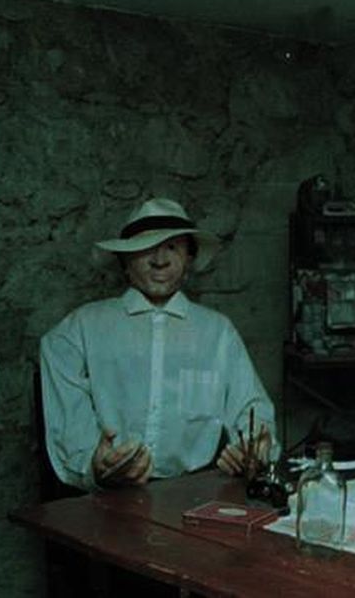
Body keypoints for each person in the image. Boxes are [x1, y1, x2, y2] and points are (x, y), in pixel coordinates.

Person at [40, 197, 276, 491]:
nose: (160, 260)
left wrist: (254, 447)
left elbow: (251, 406)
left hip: (190, 493)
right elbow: (66, 402)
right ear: (125, 261)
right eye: (146, 249)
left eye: (173, 248)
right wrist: (91, 461)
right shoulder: (82, 327)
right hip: (106, 497)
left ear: (189, 258)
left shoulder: (217, 331)